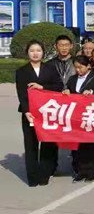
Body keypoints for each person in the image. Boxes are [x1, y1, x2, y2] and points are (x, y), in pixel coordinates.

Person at [16, 41, 63, 186]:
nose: (35, 53)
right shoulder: (22, 71)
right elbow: (21, 93)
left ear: (43, 52)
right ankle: (32, 178)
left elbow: (59, 86)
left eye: (38, 50)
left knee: (48, 144)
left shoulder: (50, 69)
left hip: (48, 112)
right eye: (32, 50)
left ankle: (44, 175)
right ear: (27, 53)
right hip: (30, 113)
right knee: (31, 145)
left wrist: (42, 87)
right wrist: (26, 111)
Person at [63, 55, 94, 181]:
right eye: (76, 67)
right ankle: (80, 170)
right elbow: (67, 90)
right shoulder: (72, 79)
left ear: (88, 66)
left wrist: (92, 93)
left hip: (90, 115)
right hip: (76, 116)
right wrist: (66, 92)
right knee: (77, 144)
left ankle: (91, 171)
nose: (78, 70)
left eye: (80, 67)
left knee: (90, 144)